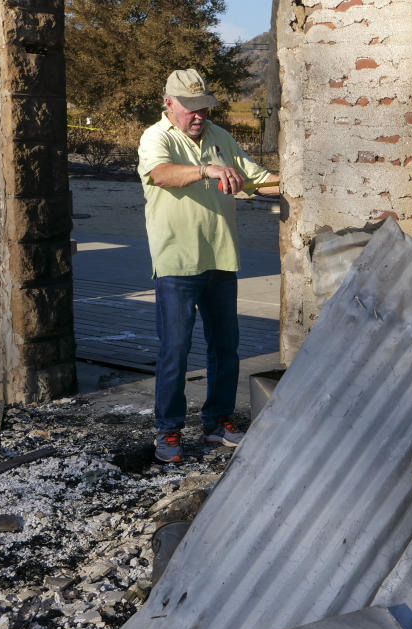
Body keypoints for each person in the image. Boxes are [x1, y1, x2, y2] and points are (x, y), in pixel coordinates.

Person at [137, 68, 279, 463]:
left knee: (225, 346)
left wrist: (303, 182)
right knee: (175, 350)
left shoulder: (219, 137)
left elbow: (258, 180)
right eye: (191, 108)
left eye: (204, 107)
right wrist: (207, 170)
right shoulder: (156, 138)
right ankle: (168, 431)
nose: (199, 116)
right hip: (177, 264)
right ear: (169, 104)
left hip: (220, 258)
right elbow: (161, 174)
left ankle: (217, 423)